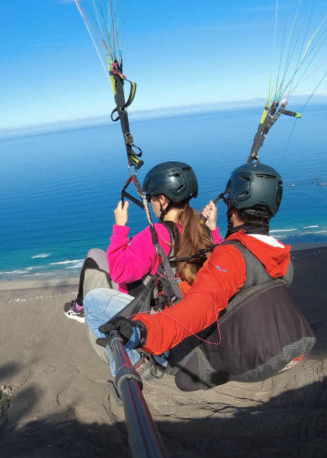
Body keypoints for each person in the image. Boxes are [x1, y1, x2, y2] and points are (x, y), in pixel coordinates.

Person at [99, 161, 315, 390]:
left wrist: (144, 331)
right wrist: (213, 232)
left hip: (198, 354)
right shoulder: (281, 258)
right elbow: (237, 276)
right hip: (260, 345)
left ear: (233, 206)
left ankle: (130, 363)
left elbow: (202, 305)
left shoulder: (232, 257)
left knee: (96, 301)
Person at [70, 160, 222, 374]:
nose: (150, 202)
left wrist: (120, 228)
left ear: (162, 199)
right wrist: (214, 229)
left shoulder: (157, 235)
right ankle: (78, 308)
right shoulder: (201, 227)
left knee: (93, 281)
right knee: (96, 258)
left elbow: (120, 271)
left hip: (151, 313)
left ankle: (132, 359)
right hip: (178, 306)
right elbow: (219, 257)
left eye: (151, 197)